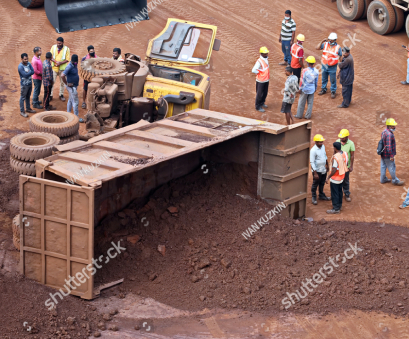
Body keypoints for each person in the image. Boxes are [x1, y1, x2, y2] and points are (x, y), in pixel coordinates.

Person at [316, 33, 342, 99]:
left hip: (332, 67)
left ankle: (333, 91)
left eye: (332, 40)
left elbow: (340, 56)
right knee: (324, 78)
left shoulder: (338, 47)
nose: (330, 41)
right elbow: (317, 48)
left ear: (335, 40)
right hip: (324, 65)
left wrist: (341, 65)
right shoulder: (325, 44)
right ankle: (323, 89)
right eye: (330, 39)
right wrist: (322, 41)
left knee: (332, 79)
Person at [326, 142, 348, 214]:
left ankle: (336, 209)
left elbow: (334, 169)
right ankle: (339, 205)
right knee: (339, 192)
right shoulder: (344, 154)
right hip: (342, 177)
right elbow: (346, 163)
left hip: (335, 178)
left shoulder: (336, 157)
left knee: (334, 193)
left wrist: (328, 177)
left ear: (335, 148)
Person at [380, 118, 404, 185]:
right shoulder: (389, 135)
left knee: (383, 166)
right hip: (387, 154)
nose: (394, 127)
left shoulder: (384, 132)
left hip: (383, 153)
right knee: (392, 167)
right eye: (393, 126)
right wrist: (391, 156)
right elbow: (389, 146)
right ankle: (395, 180)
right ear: (389, 126)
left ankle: (382, 179)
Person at [61, 55, 84, 123]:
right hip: (71, 87)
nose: (76, 63)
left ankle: (68, 113)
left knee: (70, 100)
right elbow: (62, 75)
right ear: (73, 61)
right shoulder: (69, 66)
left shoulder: (74, 65)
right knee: (75, 102)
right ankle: (76, 117)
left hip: (73, 86)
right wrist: (67, 83)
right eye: (75, 62)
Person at [310, 134, 331, 205]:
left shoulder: (323, 147)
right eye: (319, 142)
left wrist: (327, 165)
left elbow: (325, 156)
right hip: (317, 170)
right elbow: (312, 162)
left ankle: (321, 195)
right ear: (315, 142)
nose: (321, 143)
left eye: (322, 142)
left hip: (323, 169)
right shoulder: (313, 150)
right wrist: (315, 173)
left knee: (322, 183)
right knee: (315, 184)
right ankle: (314, 197)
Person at [336, 129, 355, 202]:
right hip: (338, 166)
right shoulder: (337, 142)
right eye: (341, 137)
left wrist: (351, 166)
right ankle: (338, 194)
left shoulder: (351, 144)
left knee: (346, 181)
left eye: (343, 138)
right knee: (338, 180)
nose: (341, 139)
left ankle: (346, 193)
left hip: (346, 167)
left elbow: (352, 155)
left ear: (347, 137)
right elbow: (334, 152)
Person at [50, 37, 70, 102]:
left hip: (63, 69)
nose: (58, 44)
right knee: (52, 82)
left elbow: (67, 59)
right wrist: (56, 62)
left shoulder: (67, 49)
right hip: (54, 68)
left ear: (63, 42)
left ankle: (61, 95)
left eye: (60, 43)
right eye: (57, 43)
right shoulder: (53, 47)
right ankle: (50, 95)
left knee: (62, 83)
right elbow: (50, 56)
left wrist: (60, 63)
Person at [252, 47, 270, 113]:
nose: (266, 54)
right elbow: (253, 70)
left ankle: (262, 102)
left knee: (265, 93)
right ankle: (258, 106)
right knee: (259, 94)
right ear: (261, 54)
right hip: (261, 80)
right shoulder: (259, 61)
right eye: (265, 54)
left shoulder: (266, 59)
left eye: (266, 53)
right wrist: (260, 73)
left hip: (266, 80)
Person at [18, 53, 36, 117]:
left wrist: (28, 73)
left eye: (27, 59)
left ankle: (28, 108)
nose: (26, 60)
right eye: (25, 59)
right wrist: (29, 72)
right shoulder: (20, 66)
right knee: (22, 98)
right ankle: (22, 111)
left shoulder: (29, 64)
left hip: (29, 83)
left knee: (28, 97)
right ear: (21, 59)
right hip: (24, 85)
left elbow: (33, 71)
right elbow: (25, 75)